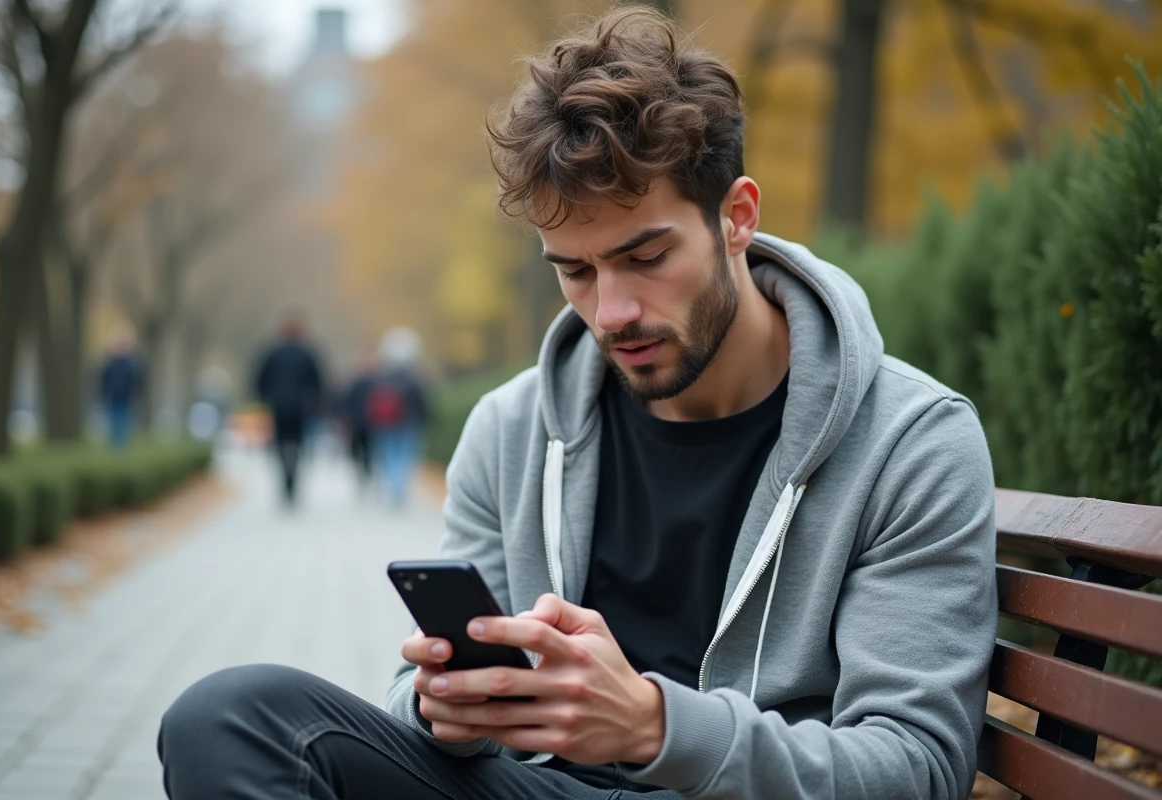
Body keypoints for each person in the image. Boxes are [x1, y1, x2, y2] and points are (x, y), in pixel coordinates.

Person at [159, 8, 997, 799]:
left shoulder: (909, 444)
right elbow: (424, 709)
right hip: (542, 784)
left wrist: (659, 727)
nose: (613, 311)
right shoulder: (512, 429)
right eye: (576, 271)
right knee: (230, 718)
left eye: (646, 257)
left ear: (737, 218)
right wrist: (443, 707)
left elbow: (917, 766)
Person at [254, 314, 325, 505]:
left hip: (277, 407)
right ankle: (292, 475)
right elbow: (317, 381)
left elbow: (260, 379)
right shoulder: (307, 353)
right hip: (300, 408)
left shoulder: (272, 353)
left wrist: (264, 399)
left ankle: (286, 475)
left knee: (280, 444)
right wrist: (315, 401)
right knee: (298, 444)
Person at [367, 327, 431, 509]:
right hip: (409, 422)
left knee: (389, 455)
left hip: (386, 423)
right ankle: (399, 488)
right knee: (405, 456)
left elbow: (373, 401)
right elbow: (421, 402)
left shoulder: (381, 376)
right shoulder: (414, 377)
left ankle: (393, 487)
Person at [339, 354, 379, 484]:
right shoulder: (373, 384)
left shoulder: (357, 384)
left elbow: (347, 403)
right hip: (367, 422)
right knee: (365, 448)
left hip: (360, 422)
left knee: (360, 448)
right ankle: (365, 469)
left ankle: (363, 469)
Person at [98, 336, 142, 451]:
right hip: (113, 397)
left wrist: (135, 395)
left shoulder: (130, 365)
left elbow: (135, 382)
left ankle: (122, 447)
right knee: (114, 422)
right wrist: (104, 396)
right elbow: (104, 381)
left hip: (126, 398)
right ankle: (115, 447)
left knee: (124, 422)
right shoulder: (109, 365)